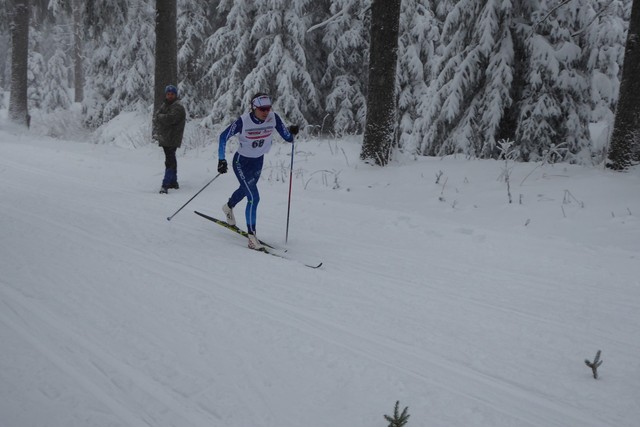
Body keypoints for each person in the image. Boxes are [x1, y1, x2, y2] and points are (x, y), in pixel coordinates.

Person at [217, 93, 299, 250]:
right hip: (241, 162)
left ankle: (228, 207)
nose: (266, 112)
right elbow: (222, 137)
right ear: (254, 108)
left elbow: (288, 137)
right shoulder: (244, 121)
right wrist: (221, 159)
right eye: (262, 109)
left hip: (258, 162)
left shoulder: (273, 118)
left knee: (245, 190)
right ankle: (252, 237)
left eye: (268, 108)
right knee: (254, 197)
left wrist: (293, 132)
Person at [153, 84, 186, 194]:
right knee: (171, 159)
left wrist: (161, 117)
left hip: (172, 137)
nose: (170, 96)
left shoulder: (177, 107)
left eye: (172, 94)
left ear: (175, 95)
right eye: (168, 94)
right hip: (166, 137)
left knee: (169, 160)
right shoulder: (165, 105)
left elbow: (170, 119)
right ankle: (173, 181)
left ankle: (165, 184)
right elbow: (157, 116)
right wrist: (161, 116)